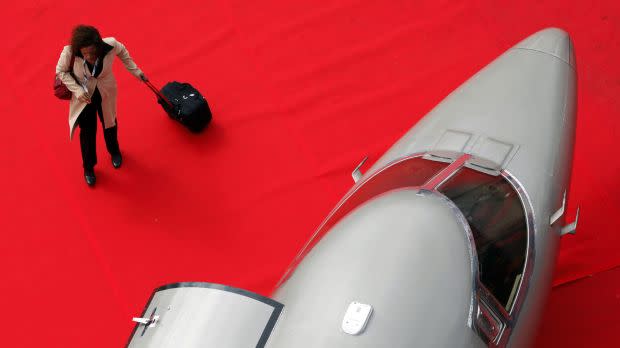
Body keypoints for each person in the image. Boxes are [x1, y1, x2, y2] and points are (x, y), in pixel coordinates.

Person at [55, 25, 147, 186]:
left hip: (106, 92)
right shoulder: (69, 52)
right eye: (85, 54)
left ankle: (114, 151)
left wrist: (137, 72)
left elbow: (124, 53)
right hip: (84, 98)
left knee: (110, 123)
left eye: (92, 52)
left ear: (98, 45)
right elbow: (60, 71)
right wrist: (77, 90)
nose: (89, 56)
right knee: (88, 132)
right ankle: (88, 168)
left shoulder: (110, 45)